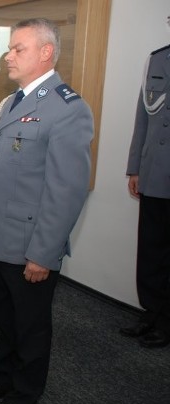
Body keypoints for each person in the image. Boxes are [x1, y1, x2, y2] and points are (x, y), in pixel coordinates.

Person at [0, 18, 93, 404]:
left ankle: (25, 395)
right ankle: (3, 379)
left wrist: (43, 253)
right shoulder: (14, 101)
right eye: (9, 47)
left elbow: (66, 192)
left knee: (31, 327)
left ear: (45, 53)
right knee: (4, 320)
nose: (8, 54)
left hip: (29, 246)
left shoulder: (67, 109)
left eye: (18, 48)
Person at [121, 43, 170, 349]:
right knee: (151, 248)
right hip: (154, 171)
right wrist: (135, 167)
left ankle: (167, 322)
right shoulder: (157, 59)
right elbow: (143, 115)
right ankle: (151, 313)